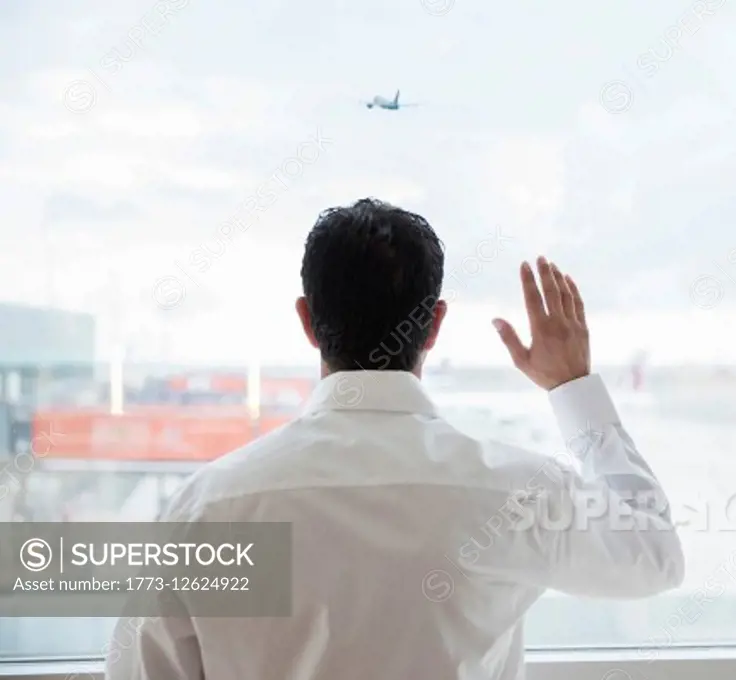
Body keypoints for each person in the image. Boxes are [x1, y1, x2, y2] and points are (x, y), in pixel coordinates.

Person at [106, 198, 683, 680]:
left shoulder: (208, 507)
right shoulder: (521, 493)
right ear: (433, 324)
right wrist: (573, 387)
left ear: (307, 321)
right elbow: (654, 556)